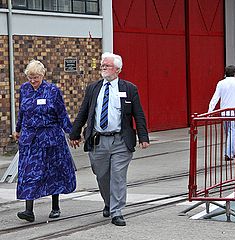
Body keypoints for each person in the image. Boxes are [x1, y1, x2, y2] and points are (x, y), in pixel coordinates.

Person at [69, 52, 149, 226]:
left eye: (107, 66)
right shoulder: (93, 88)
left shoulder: (129, 88)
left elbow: (139, 114)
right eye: (102, 65)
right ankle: (108, 202)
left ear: (118, 69)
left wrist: (143, 136)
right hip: (98, 140)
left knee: (118, 176)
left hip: (121, 140)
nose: (103, 68)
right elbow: (84, 112)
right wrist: (74, 133)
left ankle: (117, 211)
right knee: (102, 175)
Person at [13, 59, 76, 222]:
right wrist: (18, 129)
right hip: (30, 139)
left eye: (36, 77)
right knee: (29, 173)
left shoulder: (52, 90)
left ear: (43, 75)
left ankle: (55, 207)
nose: (33, 81)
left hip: (50, 138)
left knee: (52, 172)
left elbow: (61, 114)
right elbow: (22, 112)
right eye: (30, 77)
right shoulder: (25, 89)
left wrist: (72, 133)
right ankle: (29, 211)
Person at [208, 65, 235, 161]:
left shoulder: (221, 83)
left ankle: (232, 152)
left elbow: (215, 98)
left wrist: (210, 111)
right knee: (233, 132)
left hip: (224, 113)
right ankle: (229, 153)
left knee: (228, 132)